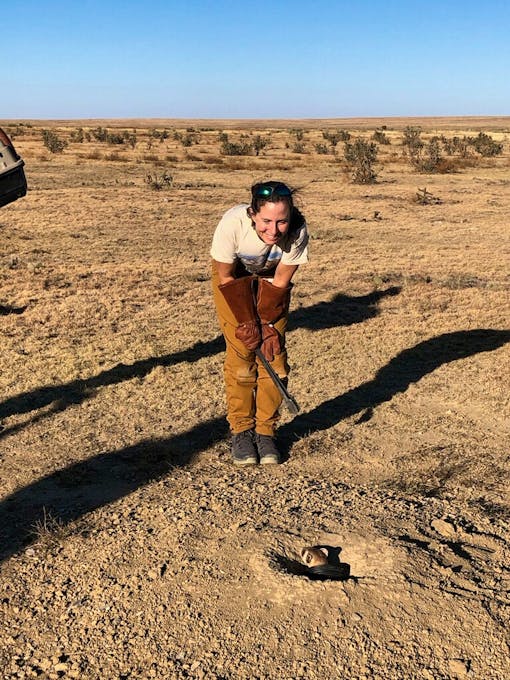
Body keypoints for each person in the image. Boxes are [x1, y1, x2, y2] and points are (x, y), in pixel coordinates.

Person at [211, 180, 309, 466]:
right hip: (233, 280)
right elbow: (227, 278)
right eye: (266, 220)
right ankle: (242, 431)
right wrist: (247, 322)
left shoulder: (298, 233)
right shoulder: (232, 224)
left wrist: (265, 324)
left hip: (271, 282)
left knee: (273, 353)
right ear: (252, 214)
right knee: (242, 353)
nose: (274, 230)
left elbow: (280, 280)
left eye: (281, 222)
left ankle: (265, 432)